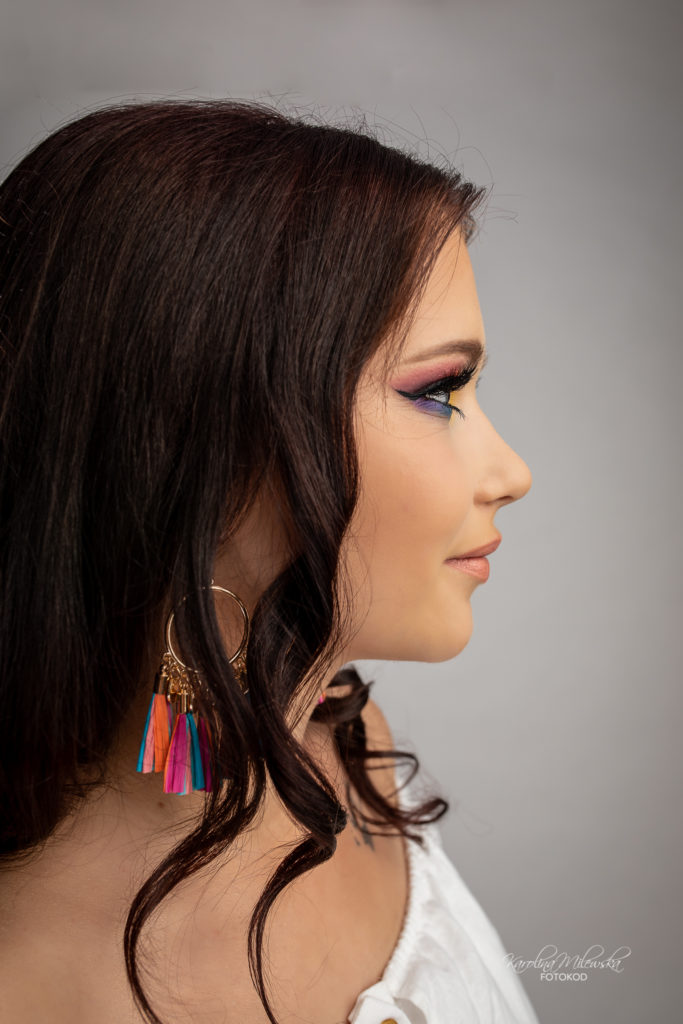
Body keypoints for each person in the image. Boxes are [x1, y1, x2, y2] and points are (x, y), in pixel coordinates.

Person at [0, 99, 537, 1024]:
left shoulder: (345, 744)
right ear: (203, 437)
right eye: (436, 390)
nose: (512, 474)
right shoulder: (28, 976)